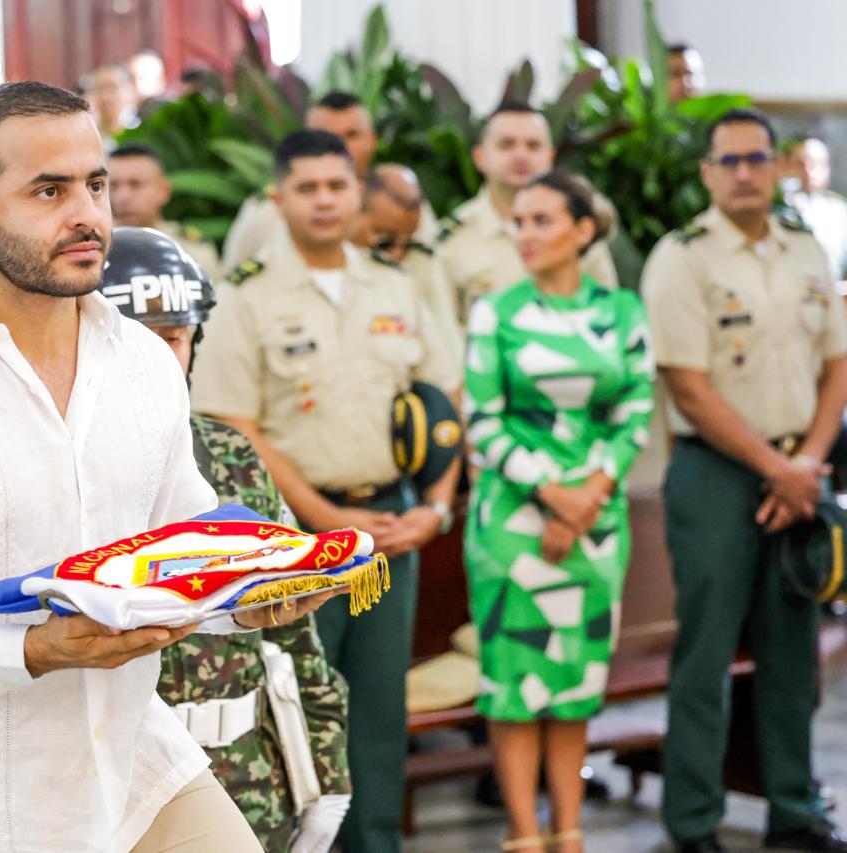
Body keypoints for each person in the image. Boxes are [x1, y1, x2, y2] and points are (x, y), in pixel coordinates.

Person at [0, 81, 331, 852]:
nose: (87, 215)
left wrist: (248, 596)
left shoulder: (143, 360)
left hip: (141, 771)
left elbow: (179, 546)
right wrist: (29, 650)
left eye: (95, 184)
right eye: (49, 189)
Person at [191, 129, 462, 853]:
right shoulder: (248, 294)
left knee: (378, 703)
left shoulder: (396, 285)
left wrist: (433, 507)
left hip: (391, 525)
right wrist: (329, 518)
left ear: (357, 192)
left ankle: (379, 842)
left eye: (335, 185)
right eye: (306, 187)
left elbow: (444, 397)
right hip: (295, 539)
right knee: (302, 702)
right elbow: (234, 425)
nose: (322, 200)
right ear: (278, 198)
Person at [100, 225, 351, 852]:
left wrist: (327, 774)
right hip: (112, 790)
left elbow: (295, 626)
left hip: (246, 782)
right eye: (141, 339)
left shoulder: (230, 454)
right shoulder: (56, 467)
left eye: (176, 337)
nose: (163, 356)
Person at [644, 108, 847, 853]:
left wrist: (808, 460)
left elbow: (838, 362)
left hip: (801, 465)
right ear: (707, 172)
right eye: (727, 161)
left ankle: (795, 806)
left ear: (776, 166)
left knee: (794, 648)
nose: (742, 172)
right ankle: (693, 820)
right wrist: (778, 468)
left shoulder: (805, 251)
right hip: (718, 473)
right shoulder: (683, 256)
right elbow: (687, 386)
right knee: (708, 650)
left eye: (755, 158)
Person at [463, 170, 654, 853]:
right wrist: (553, 493)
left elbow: (635, 408)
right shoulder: (496, 311)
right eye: (519, 221)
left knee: (575, 679)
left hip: (595, 524)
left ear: (583, 229)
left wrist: (586, 499)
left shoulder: (623, 310)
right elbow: (481, 418)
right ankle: (523, 834)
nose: (526, 234)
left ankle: (569, 833)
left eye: (543, 220)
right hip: (511, 523)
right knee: (515, 681)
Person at [434, 102, 619, 327]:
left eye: (533, 146)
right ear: (480, 157)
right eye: (507, 145)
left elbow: (608, 318)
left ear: (550, 157)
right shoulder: (453, 238)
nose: (521, 155)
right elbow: (444, 335)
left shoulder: (578, 228)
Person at [222, 91, 379, 271]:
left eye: (351, 135)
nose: (339, 146)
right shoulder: (268, 212)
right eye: (325, 136)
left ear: (372, 140)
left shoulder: (395, 198)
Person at [350, 162, 461, 368]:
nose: (399, 254)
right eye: (386, 242)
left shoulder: (425, 258)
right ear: (356, 211)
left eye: (408, 242)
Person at [108, 143, 221, 280]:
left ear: (163, 191)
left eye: (135, 184)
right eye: (113, 186)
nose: (122, 197)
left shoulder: (192, 251)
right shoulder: (90, 249)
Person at [782, 135, 847, 279]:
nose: (808, 172)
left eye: (816, 164)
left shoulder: (839, 211)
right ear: (784, 166)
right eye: (800, 164)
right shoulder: (777, 210)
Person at [82, 63, 139, 150]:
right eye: (100, 88)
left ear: (130, 91)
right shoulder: (86, 136)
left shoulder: (140, 132)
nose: (106, 97)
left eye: (113, 87)